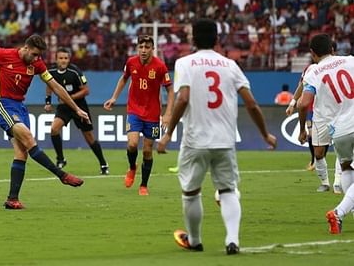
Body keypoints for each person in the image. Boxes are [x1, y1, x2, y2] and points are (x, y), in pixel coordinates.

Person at [157, 18, 277, 255]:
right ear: (217, 39)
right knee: (228, 190)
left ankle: (194, 240)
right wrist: (265, 134)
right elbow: (251, 104)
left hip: (195, 141)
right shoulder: (230, 65)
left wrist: (168, 132)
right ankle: (232, 240)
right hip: (224, 140)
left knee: (191, 192)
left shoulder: (184, 63)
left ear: (192, 39)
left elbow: (183, 98)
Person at [0, 34, 87, 210]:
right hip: (3, 104)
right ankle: (62, 175)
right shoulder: (3, 54)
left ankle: (12, 199)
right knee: (28, 139)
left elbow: (56, 87)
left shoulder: (37, 64)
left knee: (22, 153)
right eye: (34, 54)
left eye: (39, 55)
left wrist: (76, 108)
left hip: (20, 107)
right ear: (26, 48)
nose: (36, 59)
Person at [297, 33, 354, 234]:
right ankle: (339, 212)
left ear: (312, 54)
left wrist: (303, 128)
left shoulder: (314, 72)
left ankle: (345, 211)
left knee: (347, 169)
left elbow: (303, 103)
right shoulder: (350, 61)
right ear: (332, 48)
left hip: (340, 131)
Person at [104, 34, 174, 196]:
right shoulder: (131, 62)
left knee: (148, 151)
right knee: (132, 144)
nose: (143, 50)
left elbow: (170, 90)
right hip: (134, 110)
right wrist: (114, 97)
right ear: (137, 48)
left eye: (147, 47)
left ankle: (143, 185)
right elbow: (124, 79)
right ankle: (132, 167)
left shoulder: (160, 67)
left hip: (152, 114)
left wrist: (168, 113)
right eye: (140, 47)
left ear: (153, 49)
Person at [287, 42, 343, 193]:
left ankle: (338, 182)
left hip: (339, 114)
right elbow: (301, 85)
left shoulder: (344, 64)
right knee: (318, 153)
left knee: (340, 148)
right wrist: (292, 102)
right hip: (320, 116)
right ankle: (325, 183)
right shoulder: (312, 70)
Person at [44, 47, 109, 175]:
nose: (63, 61)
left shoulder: (75, 72)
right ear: (56, 59)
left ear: (69, 59)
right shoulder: (50, 71)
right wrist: (48, 102)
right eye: (60, 58)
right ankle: (61, 159)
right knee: (54, 129)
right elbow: (49, 85)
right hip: (64, 107)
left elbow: (86, 90)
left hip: (79, 107)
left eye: (65, 58)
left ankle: (103, 163)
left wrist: (69, 98)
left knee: (89, 138)